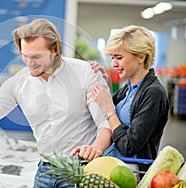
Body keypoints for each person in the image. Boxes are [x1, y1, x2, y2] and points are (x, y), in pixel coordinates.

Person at [0, 18, 112, 187]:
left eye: (36, 56)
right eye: (25, 56)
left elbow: (105, 123)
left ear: (55, 49)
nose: (30, 63)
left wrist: (96, 148)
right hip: (44, 174)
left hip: (81, 172)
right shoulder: (19, 82)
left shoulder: (86, 72)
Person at [72, 25, 169, 174]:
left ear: (141, 56)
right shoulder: (129, 88)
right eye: (112, 58)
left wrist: (109, 110)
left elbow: (128, 146)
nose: (114, 64)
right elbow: (106, 116)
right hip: (110, 168)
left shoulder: (154, 94)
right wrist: (103, 80)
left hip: (129, 175)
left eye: (119, 58)